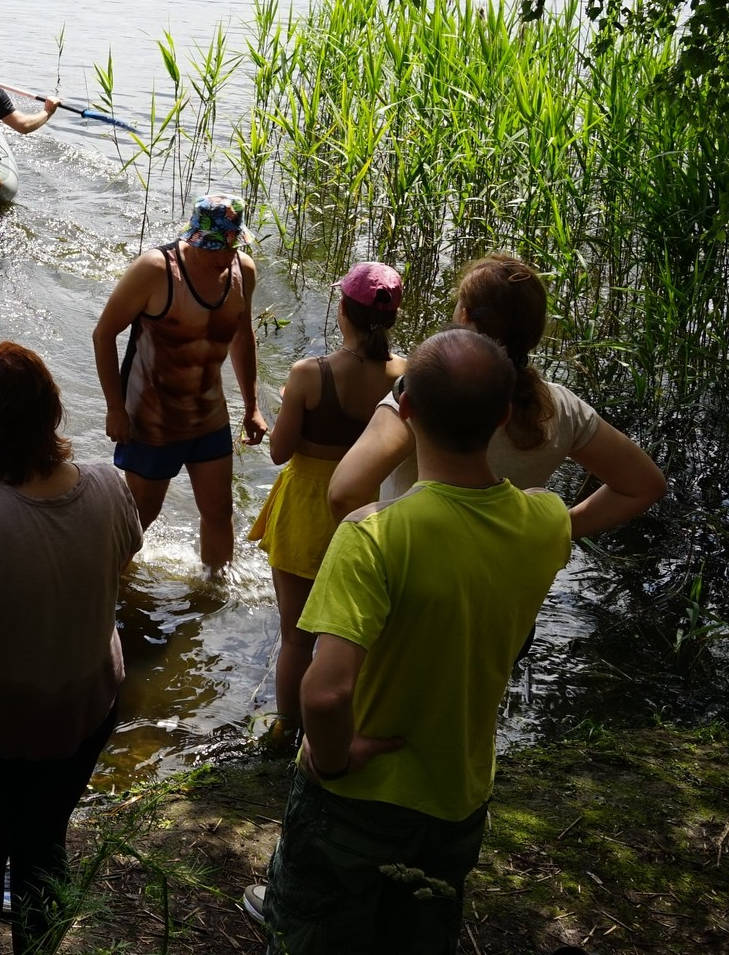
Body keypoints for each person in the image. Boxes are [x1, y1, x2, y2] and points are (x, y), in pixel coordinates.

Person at [250, 330, 573, 953]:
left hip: (354, 800)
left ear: (411, 413)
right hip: (456, 797)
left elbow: (325, 692)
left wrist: (335, 758)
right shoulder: (547, 522)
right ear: (504, 417)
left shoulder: (372, 535)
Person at [0, 341, 141, 952]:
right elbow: (125, 554)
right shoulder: (111, 487)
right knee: (44, 842)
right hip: (86, 710)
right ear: (52, 412)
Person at [329, 254, 668, 536]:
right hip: (509, 604)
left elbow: (345, 494)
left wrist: (387, 551)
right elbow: (643, 485)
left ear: (464, 316)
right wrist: (547, 533)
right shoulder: (559, 407)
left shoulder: (425, 395)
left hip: (418, 598)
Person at [246, 261, 405, 729]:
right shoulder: (407, 375)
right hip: (372, 510)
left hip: (307, 507)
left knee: (296, 638)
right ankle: (345, 724)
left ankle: (287, 728)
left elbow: (279, 453)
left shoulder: (309, 374)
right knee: (357, 635)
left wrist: (281, 406)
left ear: (343, 312)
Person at [90, 193, 265, 571]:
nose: (225, 255)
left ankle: (214, 594)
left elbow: (242, 337)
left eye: (232, 244)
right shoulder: (156, 270)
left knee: (219, 511)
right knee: (139, 522)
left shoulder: (243, 272)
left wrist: (252, 407)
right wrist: (115, 408)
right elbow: (104, 334)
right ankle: (105, 587)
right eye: (216, 247)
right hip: (152, 420)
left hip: (209, 416)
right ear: (196, 239)